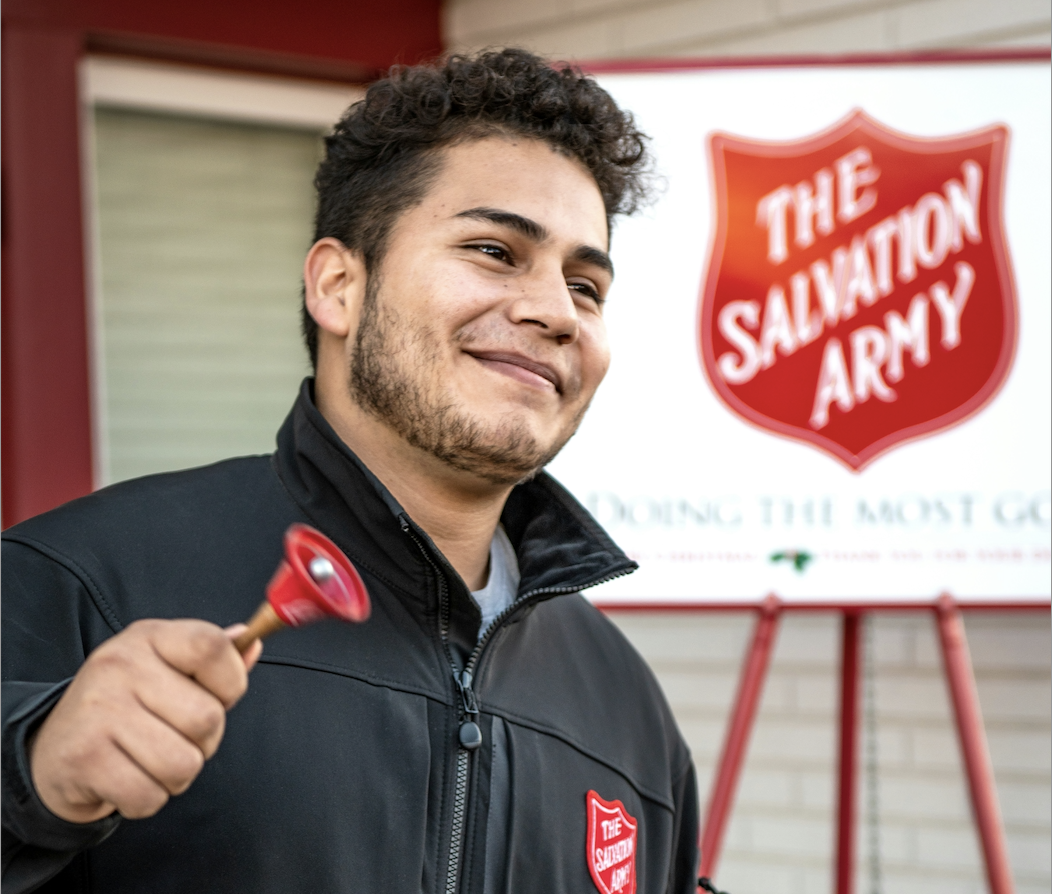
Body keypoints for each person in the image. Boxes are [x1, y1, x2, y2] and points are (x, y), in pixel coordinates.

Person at [2, 49, 699, 893]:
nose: (557, 312)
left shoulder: (630, 712)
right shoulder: (76, 586)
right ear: (337, 286)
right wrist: (28, 783)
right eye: (493, 249)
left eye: (586, 286)